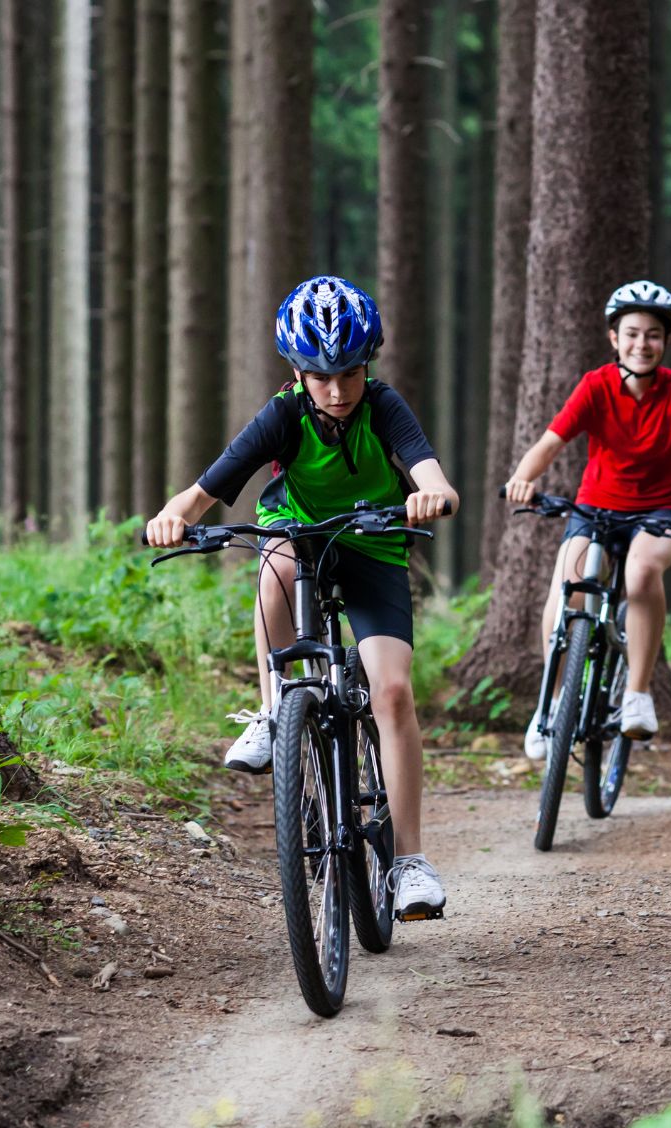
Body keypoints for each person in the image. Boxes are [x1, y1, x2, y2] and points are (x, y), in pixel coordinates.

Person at [145, 275, 458, 920]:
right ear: (297, 372)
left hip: (371, 545)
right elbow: (207, 487)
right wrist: (172, 514)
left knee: (392, 691)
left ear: (367, 365)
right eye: (320, 376)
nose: (337, 390)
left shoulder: (384, 407)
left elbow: (430, 474)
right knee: (276, 562)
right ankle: (273, 708)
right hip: (300, 539)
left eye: (348, 372)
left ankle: (409, 862)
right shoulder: (283, 414)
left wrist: (432, 495)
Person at [503, 281, 671, 752]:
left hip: (663, 510)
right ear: (614, 338)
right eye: (633, 333)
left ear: (667, 341)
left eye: (654, 335)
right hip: (598, 504)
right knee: (566, 593)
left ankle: (638, 695)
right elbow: (550, 442)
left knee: (641, 574)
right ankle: (553, 703)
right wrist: (523, 478)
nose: (643, 344)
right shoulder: (596, 385)